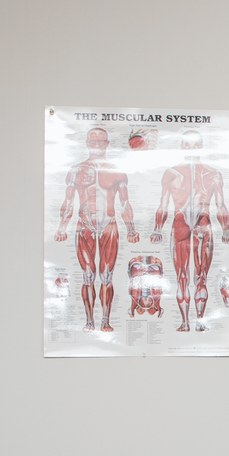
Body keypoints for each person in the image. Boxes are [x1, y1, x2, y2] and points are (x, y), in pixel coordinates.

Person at [55, 127, 138, 332]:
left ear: (107, 144)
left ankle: (105, 321)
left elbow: (125, 203)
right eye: (93, 141)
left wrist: (131, 229)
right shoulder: (76, 171)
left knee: (107, 276)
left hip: (109, 225)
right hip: (85, 226)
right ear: (87, 143)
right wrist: (62, 227)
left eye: (101, 141)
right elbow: (68, 201)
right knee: (88, 275)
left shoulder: (117, 171)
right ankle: (89, 321)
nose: (97, 144)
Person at [151, 129, 229, 332]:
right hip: (182, 222)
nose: (191, 149)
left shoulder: (213, 174)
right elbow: (163, 205)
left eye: (195, 145)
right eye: (188, 145)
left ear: (201, 147)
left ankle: (198, 322)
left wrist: (226, 229)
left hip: (201, 223)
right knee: (182, 276)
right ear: (182, 147)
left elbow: (220, 204)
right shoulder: (171, 174)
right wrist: (157, 229)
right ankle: (186, 322)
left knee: (200, 276)